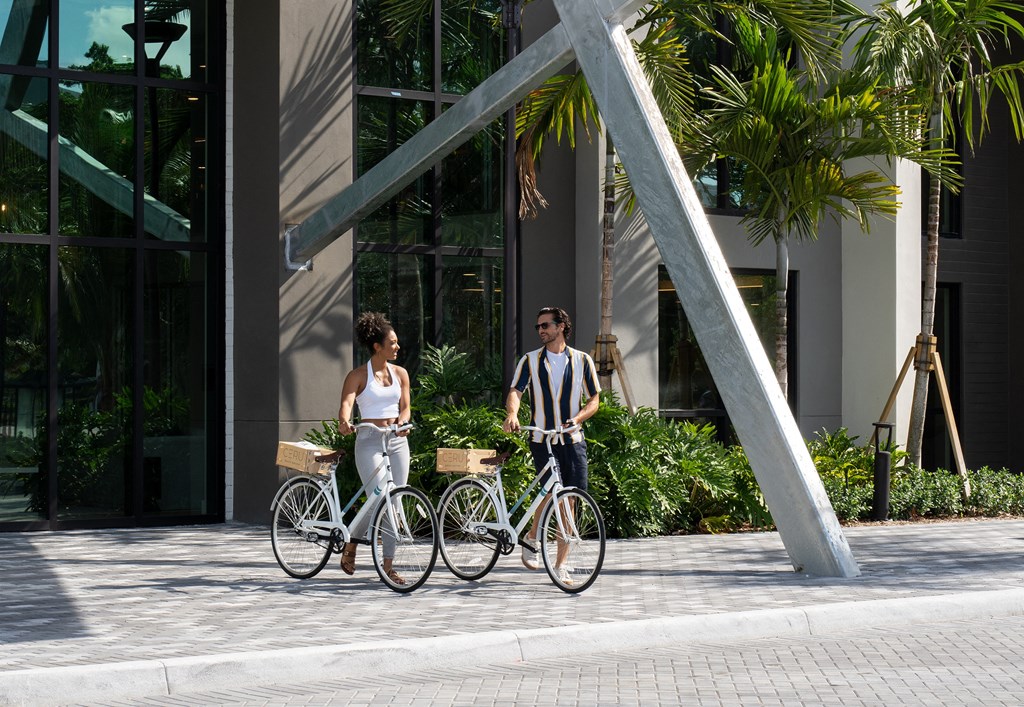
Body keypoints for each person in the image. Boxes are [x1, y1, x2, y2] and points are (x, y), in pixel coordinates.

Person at [502, 306, 601, 583]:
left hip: (573, 440)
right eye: (538, 327)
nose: (541, 330)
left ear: (561, 327)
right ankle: (536, 540)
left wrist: (578, 418)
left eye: (545, 325)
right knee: (551, 494)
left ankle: (558, 562)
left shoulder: (582, 360)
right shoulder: (530, 360)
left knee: (569, 499)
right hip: (542, 439)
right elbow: (516, 391)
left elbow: (594, 399)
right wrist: (512, 414)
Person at [337, 311, 412, 585]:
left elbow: (405, 407)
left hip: (396, 439)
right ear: (377, 346)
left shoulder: (401, 373)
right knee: (379, 498)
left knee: (395, 498)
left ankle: (387, 565)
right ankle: (356, 544)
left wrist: (403, 423)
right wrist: (344, 421)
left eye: (397, 342)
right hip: (369, 439)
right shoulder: (357, 375)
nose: (397, 347)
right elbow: (346, 404)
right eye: (392, 343)